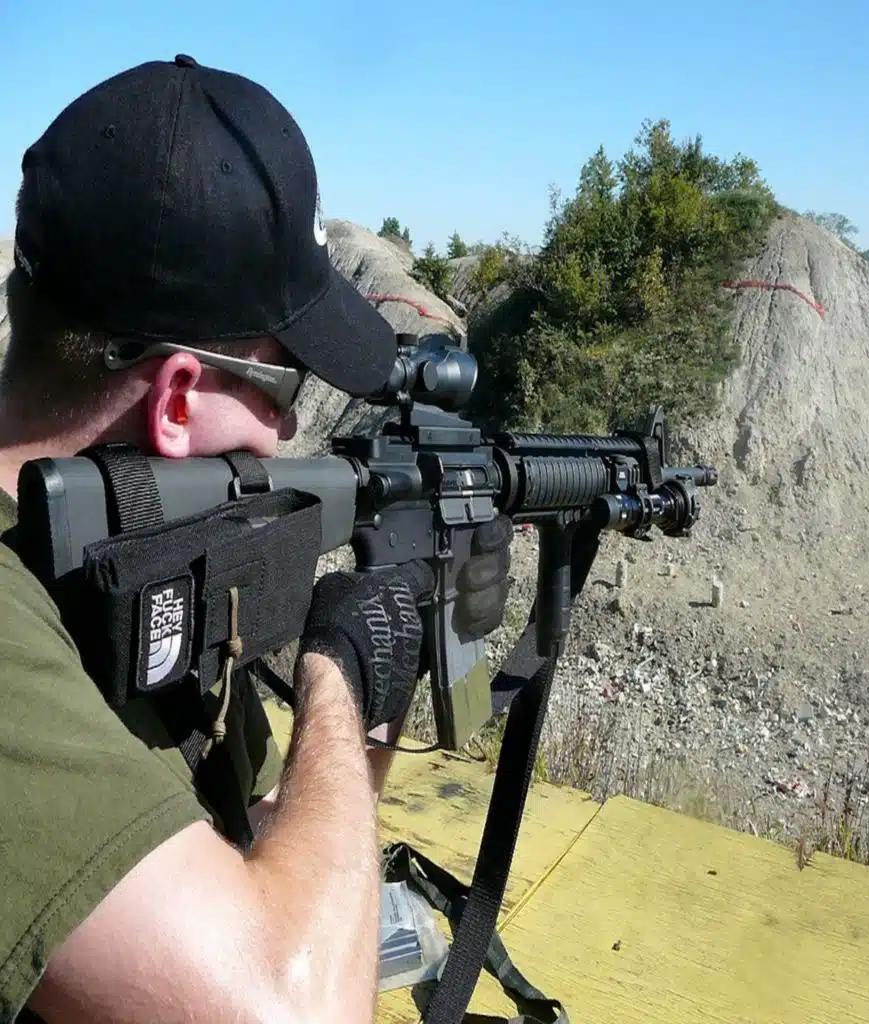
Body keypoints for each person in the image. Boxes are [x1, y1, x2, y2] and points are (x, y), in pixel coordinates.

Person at [0, 56, 511, 1023]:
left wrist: (390, 653)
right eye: (289, 386)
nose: (290, 433)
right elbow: (299, 1007)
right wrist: (339, 671)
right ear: (179, 397)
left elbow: (289, 860)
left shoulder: (135, 577)